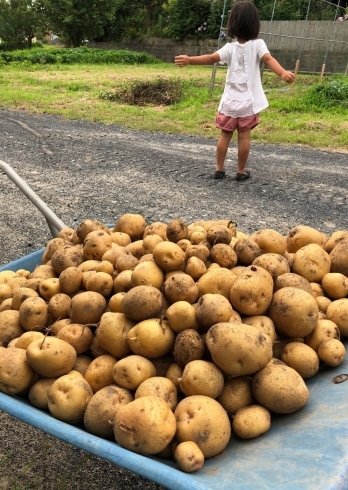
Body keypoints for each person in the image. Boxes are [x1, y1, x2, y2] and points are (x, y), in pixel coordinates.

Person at [174, 0, 295, 181]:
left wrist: (190, 59)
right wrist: (283, 72)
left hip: (229, 102)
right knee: (244, 138)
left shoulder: (229, 48)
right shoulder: (258, 44)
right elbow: (268, 60)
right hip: (248, 102)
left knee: (225, 135)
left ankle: (219, 169)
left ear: (232, 24)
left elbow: (211, 58)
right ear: (255, 24)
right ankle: (240, 171)